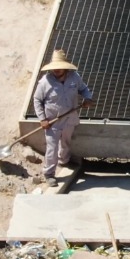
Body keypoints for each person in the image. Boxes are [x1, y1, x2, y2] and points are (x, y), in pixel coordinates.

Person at [32, 49, 94, 188]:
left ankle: (64, 161)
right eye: (55, 68)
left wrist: (87, 98)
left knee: (66, 143)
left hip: (69, 118)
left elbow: (84, 89)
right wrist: (42, 119)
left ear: (65, 67)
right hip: (52, 122)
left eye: (59, 67)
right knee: (52, 148)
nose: (56, 70)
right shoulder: (45, 82)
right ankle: (49, 174)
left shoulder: (74, 77)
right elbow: (37, 100)